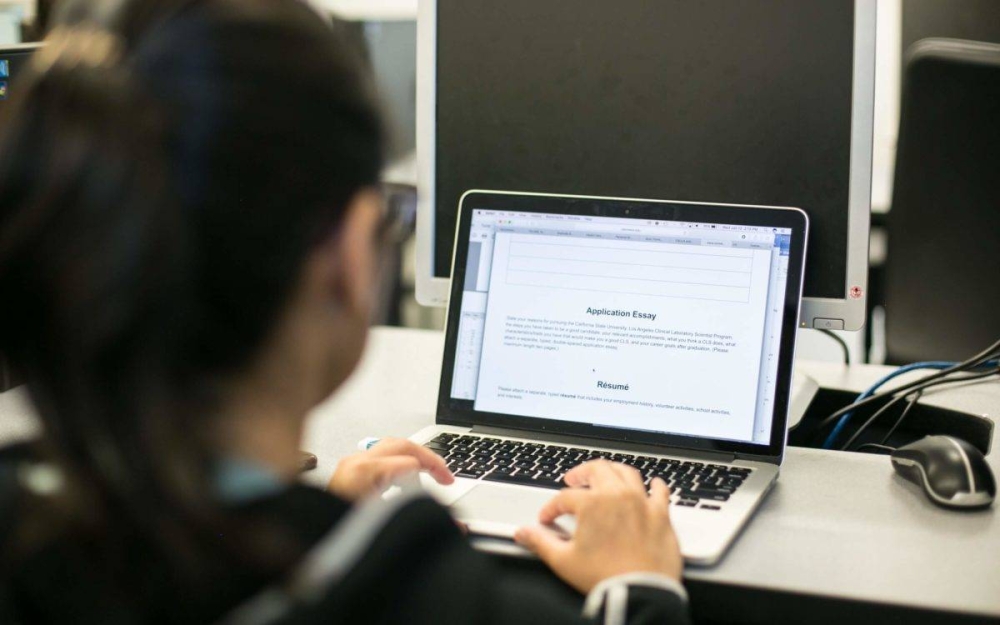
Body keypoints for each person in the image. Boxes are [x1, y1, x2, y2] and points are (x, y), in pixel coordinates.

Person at [0, 1, 688, 623]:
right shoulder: (426, 599)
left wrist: (296, 521)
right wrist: (639, 587)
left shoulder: (24, 525)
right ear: (353, 253)